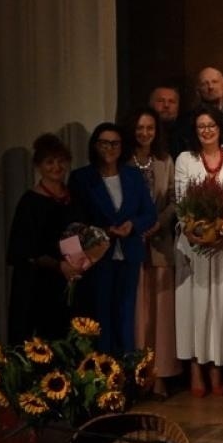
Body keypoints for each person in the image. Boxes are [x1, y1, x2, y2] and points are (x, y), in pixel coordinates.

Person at [174, 106, 223, 396]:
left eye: (211, 126)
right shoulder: (185, 160)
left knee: (218, 307)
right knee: (194, 306)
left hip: (222, 244)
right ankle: (195, 368)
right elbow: (180, 201)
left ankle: (217, 367)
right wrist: (193, 230)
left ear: (220, 129)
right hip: (191, 245)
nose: (206, 131)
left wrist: (222, 231)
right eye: (200, 126)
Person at [70, 123, 157, 354]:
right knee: (101, 316)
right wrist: (104, 231)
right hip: (99, 256)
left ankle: (125, 373)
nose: (110, 148)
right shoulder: (81, 178)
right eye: (104, 143)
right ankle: (103, 374)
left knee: (126, 315)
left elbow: (149, 213)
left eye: (115, 143)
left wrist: (133, 225)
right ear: (95, 146)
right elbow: (75, 220)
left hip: (129, 253)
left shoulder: (133, 175)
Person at [6, 133, 86, 341]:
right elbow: (23, 251)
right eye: (49, 162)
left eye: (61, 161)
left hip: (68, 284)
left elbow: (80, 235)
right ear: (38, 166)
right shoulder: (30, 202)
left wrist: (79, 263)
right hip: (38, 287)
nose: (56, 167)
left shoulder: (73, 198)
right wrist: (60, 266)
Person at [128, 108, 178, 393]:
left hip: (159, 244)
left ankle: (160, 375)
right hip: (130, 243)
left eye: (149, 128)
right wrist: (136, 226)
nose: (144, 133)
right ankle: (137, 375)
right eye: (139, 127)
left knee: (160, 314)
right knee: (137, 313)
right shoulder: (123, 162)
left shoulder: (164, 160)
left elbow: (173, 199)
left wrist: (158, 223)